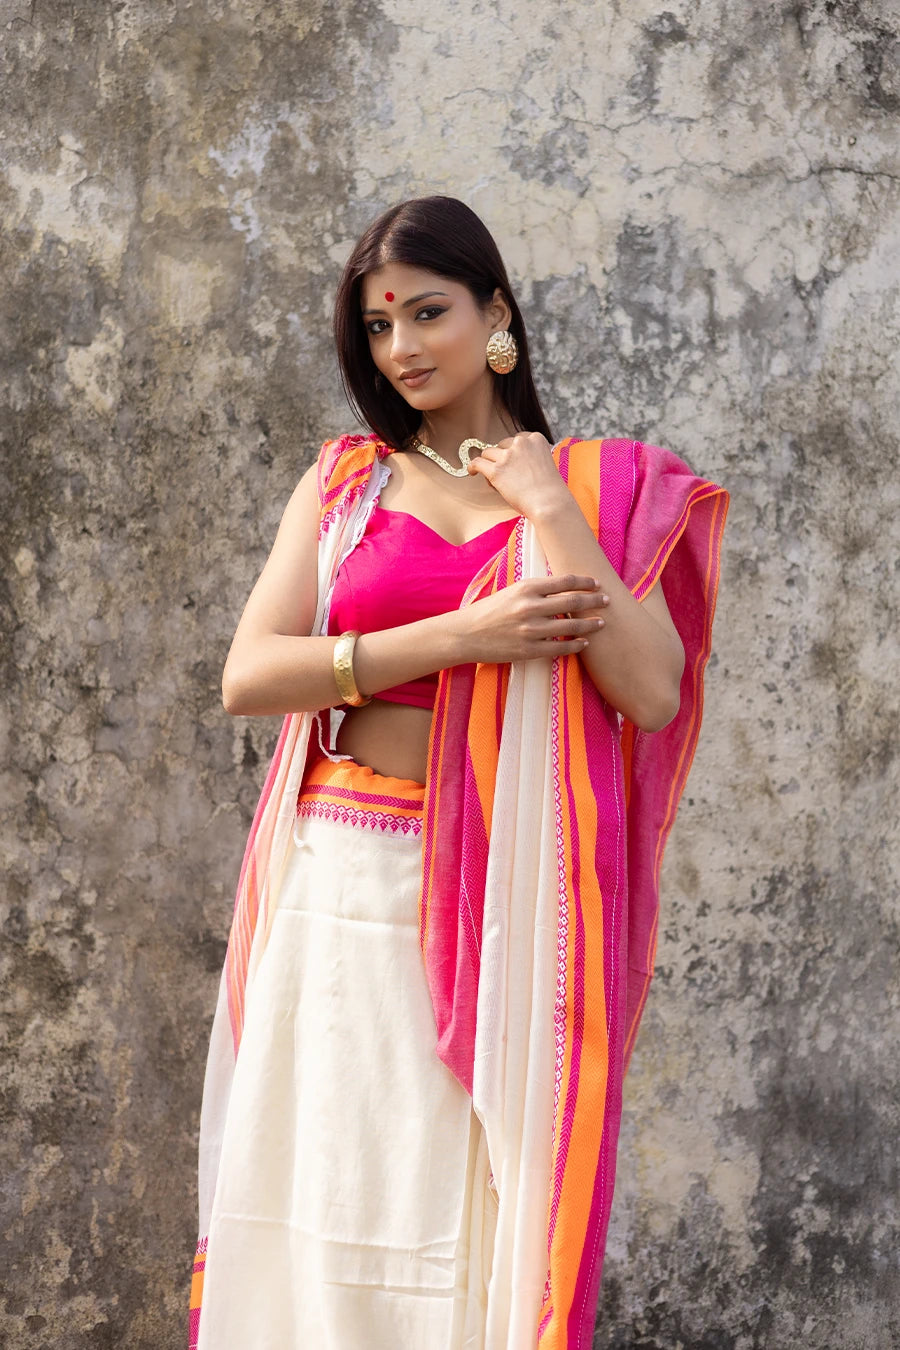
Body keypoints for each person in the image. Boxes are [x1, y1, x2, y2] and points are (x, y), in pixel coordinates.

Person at [188, 195, 728, 1350]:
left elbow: (651, 691)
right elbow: (248, 674)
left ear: (497, 316)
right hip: (340, 886)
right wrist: (454, 642)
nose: (404, 350)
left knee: (472, 1200)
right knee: (329, 1187)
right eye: (379, 329)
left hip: (516, 901)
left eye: (428, 313)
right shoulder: (345, 488)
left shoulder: (600, 485)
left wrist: (548, 510)